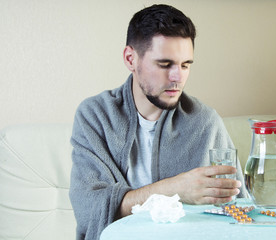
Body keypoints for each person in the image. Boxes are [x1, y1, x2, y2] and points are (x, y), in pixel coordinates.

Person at [69, 4, 246, 240]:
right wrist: (176, 189)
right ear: (131, 59)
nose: (178, 77)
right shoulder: (95, 116)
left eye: (185, 65)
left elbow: (241, 209)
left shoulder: (205, 122)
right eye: (165, 64)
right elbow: (89, 209)